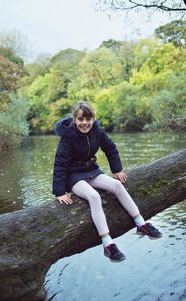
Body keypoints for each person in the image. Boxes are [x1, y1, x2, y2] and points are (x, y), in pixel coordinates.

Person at [52, 101, 162, 263]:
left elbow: (110, 148)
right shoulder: (68, 137)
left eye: (88, 119)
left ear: (93, 119)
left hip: (91, 170)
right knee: (94, 197)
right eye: (81, 120)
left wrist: (116, 169)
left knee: (116, 185)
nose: (85, 123)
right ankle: (108, 244)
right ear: (74, 120)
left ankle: (141, 224)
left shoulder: (97, 131)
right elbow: (60, 163)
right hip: (73, 176)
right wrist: (60, 191)